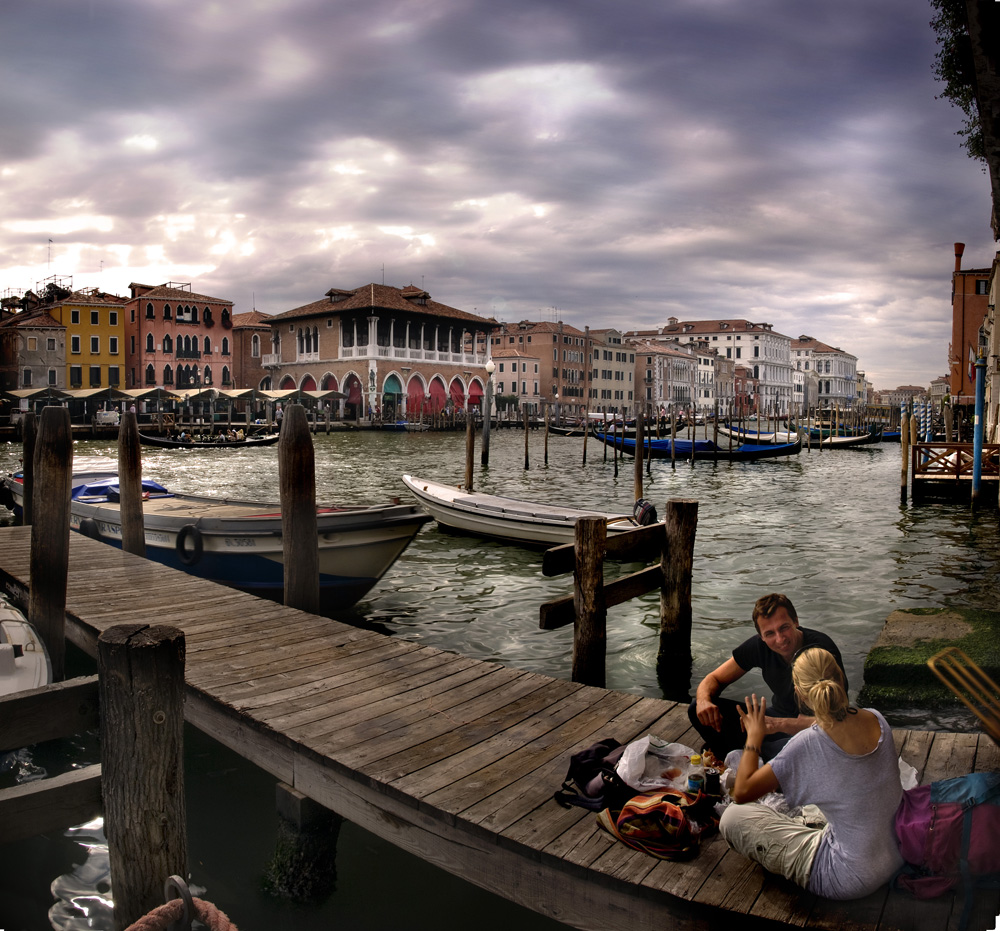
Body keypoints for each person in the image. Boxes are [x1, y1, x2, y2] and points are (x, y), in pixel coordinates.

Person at [718, 647, 904, 900]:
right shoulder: (877, 719)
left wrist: (754, 735)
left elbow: (742, 792)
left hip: (846, 876)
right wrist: (783, 725)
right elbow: (831, 721)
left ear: (800, 694)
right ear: (841, 677)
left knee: (732, 817)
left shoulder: (807, 744)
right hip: (897, 853)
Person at [688, 593, 846, 760]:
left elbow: (838, 721)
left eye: (784, 627)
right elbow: (714, 679)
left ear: (796, 622)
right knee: (695, 709)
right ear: (761, 637)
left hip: (813, 728)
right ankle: (739, 759)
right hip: (777, 716)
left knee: (780, 750)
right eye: (770, 633)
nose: (780, 639)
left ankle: (749, 757)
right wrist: (704, 700)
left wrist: (777, 725)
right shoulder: (758, 646)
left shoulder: (821, 651)